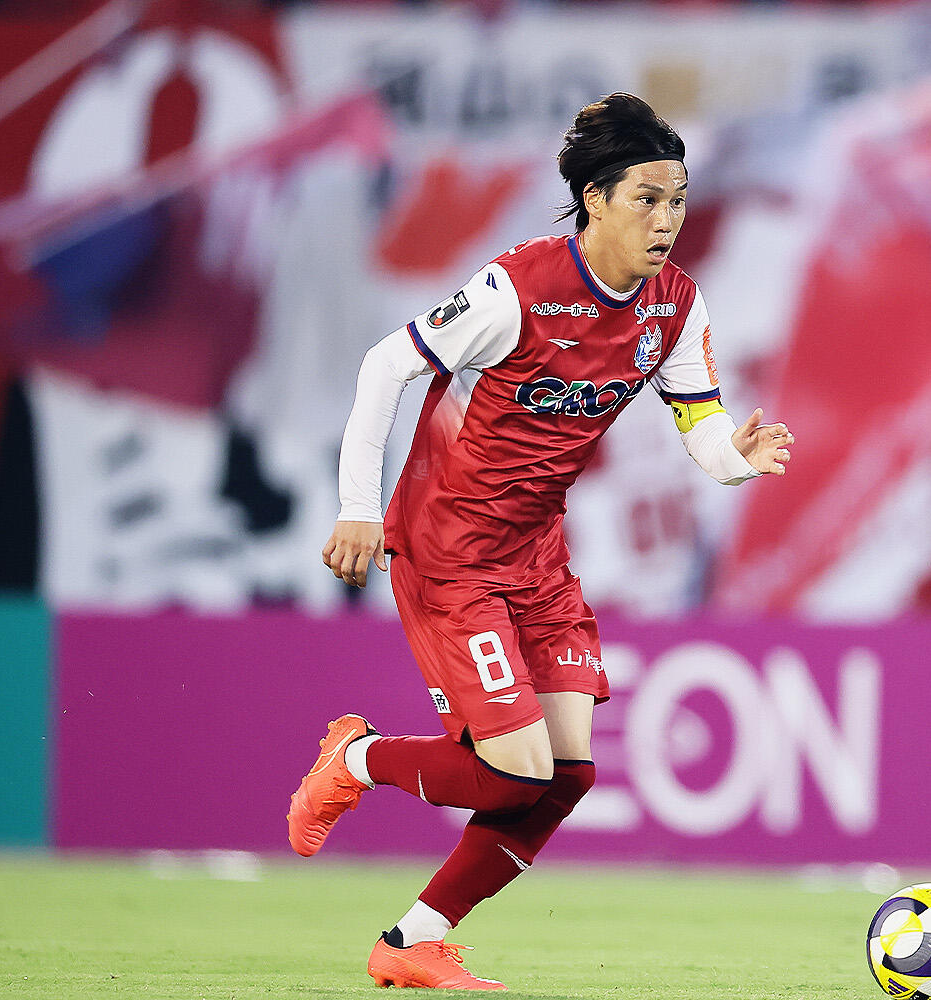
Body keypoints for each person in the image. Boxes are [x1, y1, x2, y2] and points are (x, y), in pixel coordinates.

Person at [286, 92, 795, 991]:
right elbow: (385, 365)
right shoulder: (516, 288)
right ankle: (355, 757)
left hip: (537, 554)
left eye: (678, 201)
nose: (667, 220)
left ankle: (411, 942)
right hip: (450, 552)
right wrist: (357, 506)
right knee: (516, 773)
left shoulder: (675, 306)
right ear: (595, 199)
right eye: (648, 199)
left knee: (567, 775)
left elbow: (704, 430)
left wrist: (737, 459)